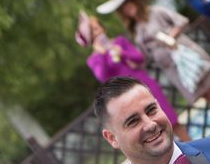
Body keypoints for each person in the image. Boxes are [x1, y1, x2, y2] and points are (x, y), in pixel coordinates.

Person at [96, 0, 210, 136]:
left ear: (136, 2)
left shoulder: (155, 12)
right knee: (204, 94)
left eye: (129, 5)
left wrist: (170, 37)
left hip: (184, 55)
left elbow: (181, 21)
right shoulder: (136, 29)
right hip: (170, 67)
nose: (128, 10)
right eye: (123, 9)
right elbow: (145, 55)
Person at [76, 11, 190, 141]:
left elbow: (139, 58)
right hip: (126, 98)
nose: (97, 32)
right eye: (93, 31)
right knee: (150, 129)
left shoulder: (119, 41)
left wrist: (122, 53)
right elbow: (102, 76)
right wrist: (101, 54)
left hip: (144, 85)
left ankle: (193, 149)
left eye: (98, 27)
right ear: (89, 38)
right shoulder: (93, 59)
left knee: (170, 119)